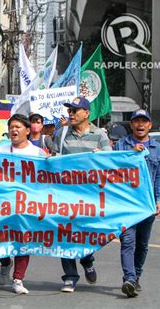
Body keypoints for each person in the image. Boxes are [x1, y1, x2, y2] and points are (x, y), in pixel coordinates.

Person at [52, 96, 112, 292]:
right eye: (70, 110)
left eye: (75, 110)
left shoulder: (100, 135)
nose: (71, 113)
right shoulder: (61, 134)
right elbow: (52, 160)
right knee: (64, 234)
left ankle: (87, 260)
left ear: (86, 113)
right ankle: (70, 276)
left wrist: (99, 158)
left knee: (85, 234)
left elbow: (110, 164)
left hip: (89, 196)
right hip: (64, 195)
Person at [0, 114, 47, 294]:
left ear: (28, 131)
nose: (14, 130)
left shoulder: (38, 153)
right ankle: (6, 263)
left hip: (26, 206)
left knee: (24, 241)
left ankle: (18, 278)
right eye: (11, 127)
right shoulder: (0, 150)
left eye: (18, 127)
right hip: (2, 204)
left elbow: (49, 175)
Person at [114, 109, 160, 297]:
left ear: (150, 125)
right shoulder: (121, 145)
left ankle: (136, 277)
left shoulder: (157, 149)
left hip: (147, 204)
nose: (140, 125)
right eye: (136, 121)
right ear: (132, 125)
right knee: (127, 241)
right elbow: (112, 168)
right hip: (126, 204)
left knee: (142, 244)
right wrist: (130, 154)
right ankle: (129, 278)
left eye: (144, 121)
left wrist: (159, 201)